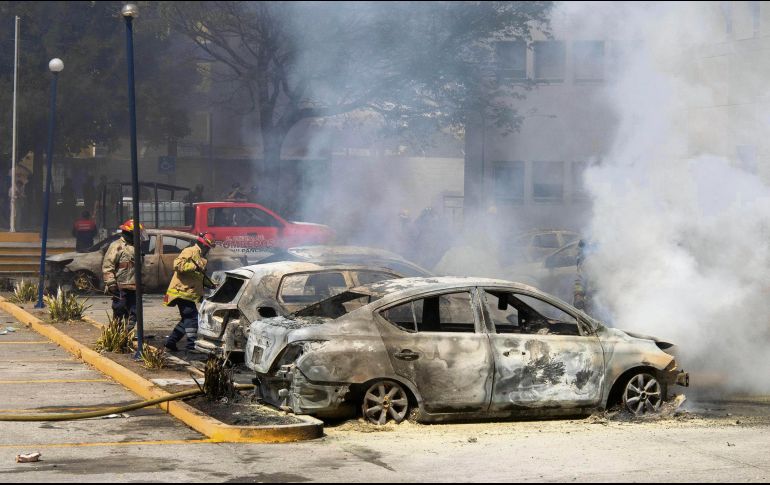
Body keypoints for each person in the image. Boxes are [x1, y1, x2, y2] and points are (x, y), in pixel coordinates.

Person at [163, 232, 217, 353]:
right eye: (208, 248)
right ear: (204, 246)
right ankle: (191, 346)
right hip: (181, 292)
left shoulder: (201, 258)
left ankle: (170, 343)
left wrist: (212, 284)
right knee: (192, 318)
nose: (209, 250)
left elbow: (199, 277)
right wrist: (193, 266)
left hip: (189, 293)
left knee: (186, 319)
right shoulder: (190, 251)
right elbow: (177, 265)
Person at [102, 219, 146, 330]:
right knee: (119, 309)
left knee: (135, 312)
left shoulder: (136, 247)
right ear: (130, 234)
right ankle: (116, 332)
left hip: (134, 286)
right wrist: (111, 284)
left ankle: (127, 332)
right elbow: (108, 266)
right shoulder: (117, 246)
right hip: (120, 286)